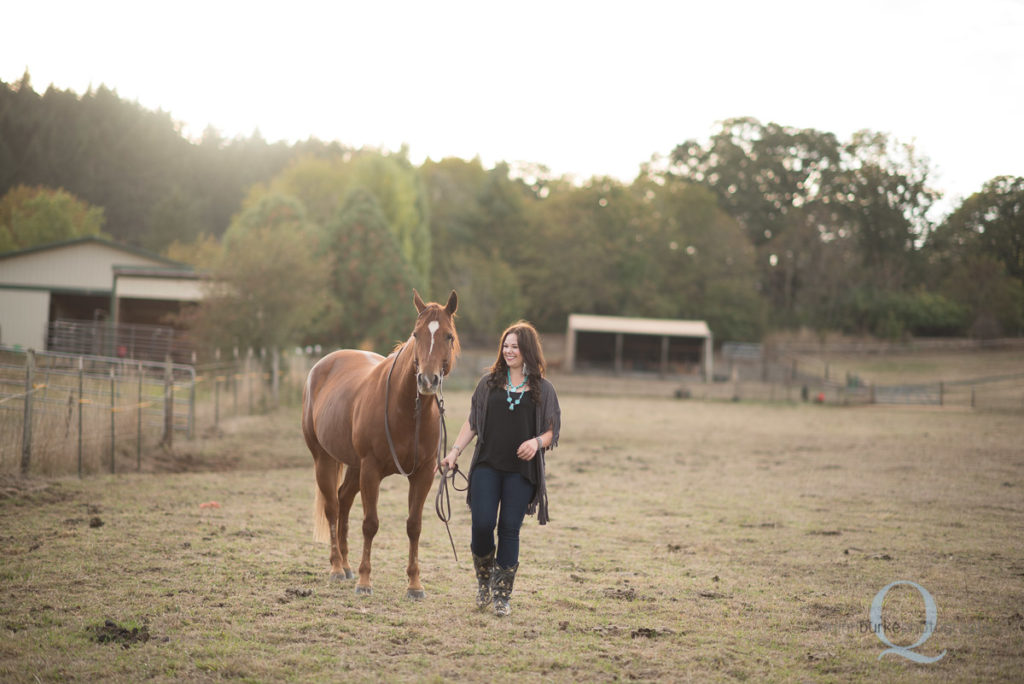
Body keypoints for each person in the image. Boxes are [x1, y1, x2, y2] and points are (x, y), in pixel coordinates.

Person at [438, 321, 561, 616]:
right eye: (505, 345)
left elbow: (552, 431)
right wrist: (454, 453)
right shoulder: (488, 383)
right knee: (481, 525)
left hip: (521, 472)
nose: (509, 351)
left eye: (515, 347)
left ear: (527, 350)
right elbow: (473, 422)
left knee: (509, 529)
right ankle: (484, 580)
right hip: (487, 465)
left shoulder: (543, 389)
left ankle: (502, 595)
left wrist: (536, 442)